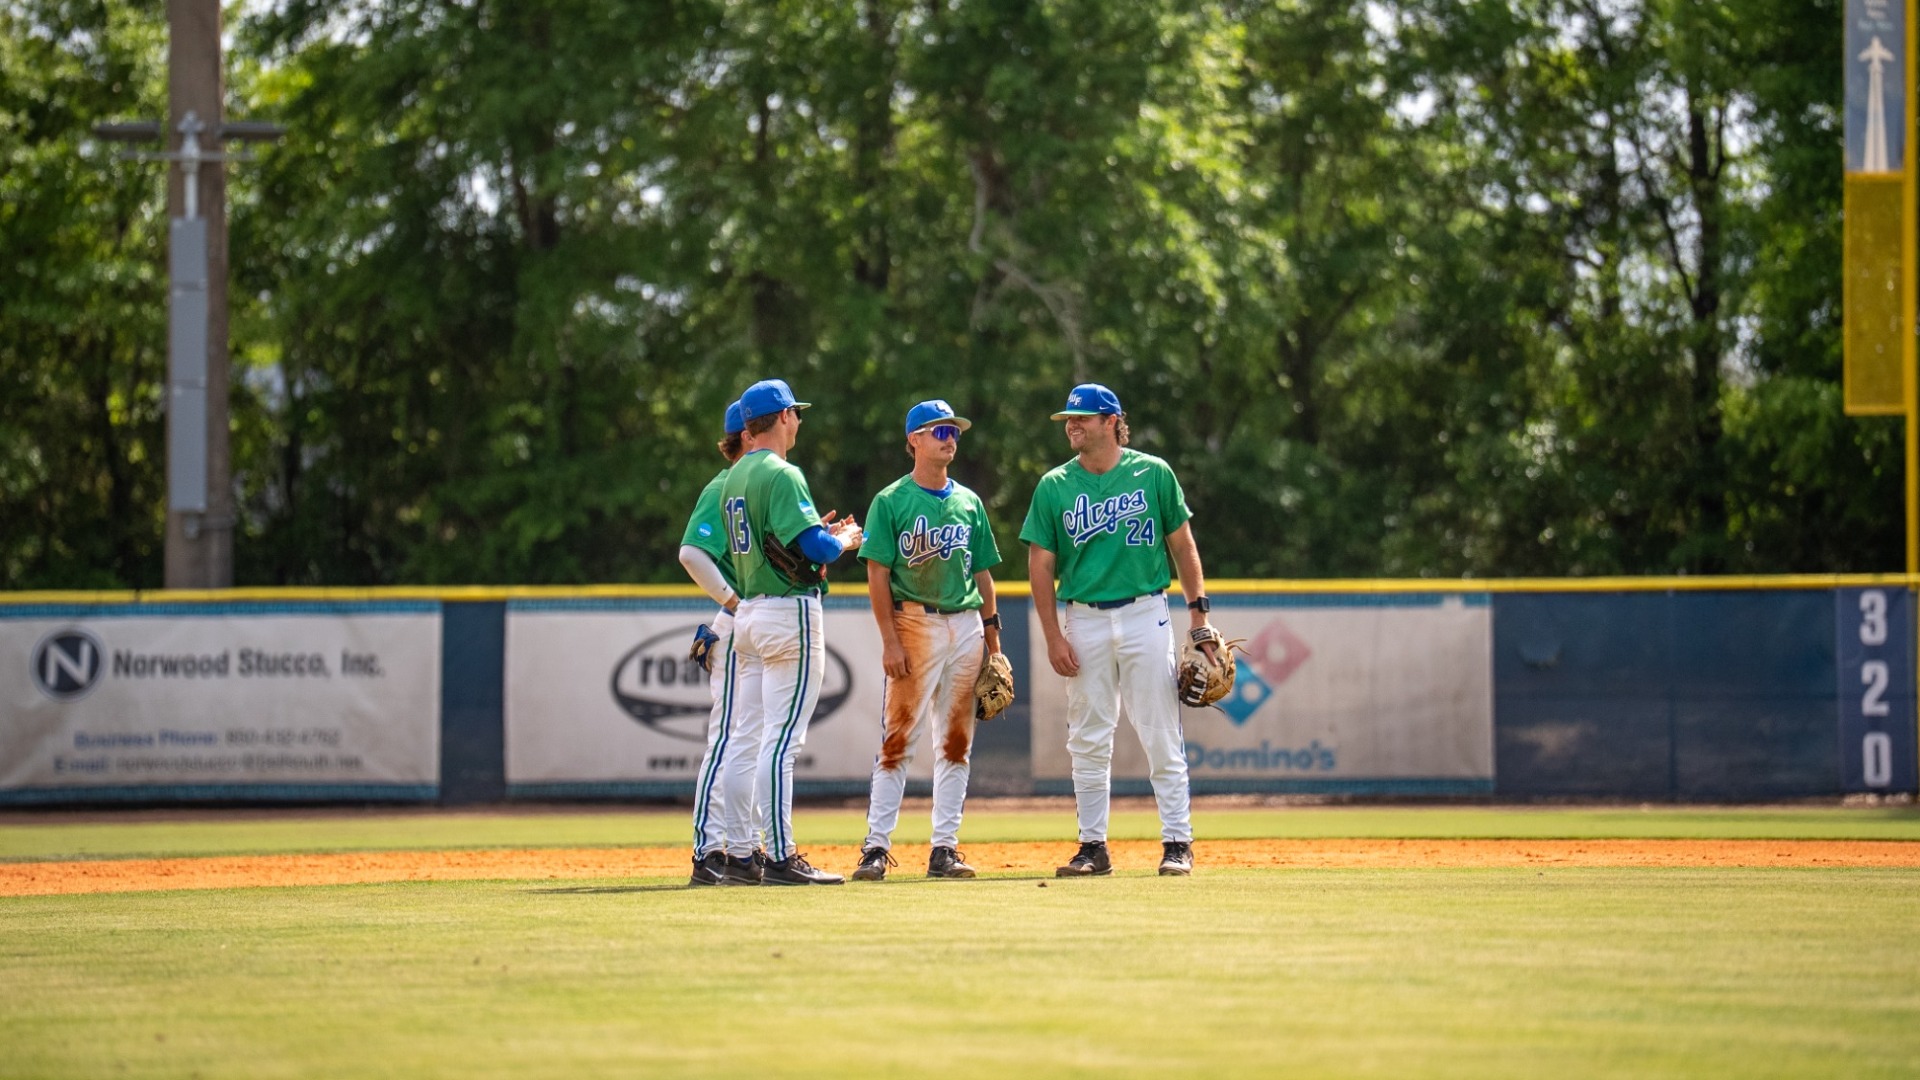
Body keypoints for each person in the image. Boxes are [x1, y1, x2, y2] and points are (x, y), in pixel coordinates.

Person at [1019, 383, 1212, 877]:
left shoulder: (1153, 473)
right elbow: (1040, 566)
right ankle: (1092, 847)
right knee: (1087, 737)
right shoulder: (1054, 485)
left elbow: (1183, 545)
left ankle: (1177, 841)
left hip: (1147, 612)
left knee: (1161, 731)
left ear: (1112, 421)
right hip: (1082, 616)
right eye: (1068, 418)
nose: (1071, 425)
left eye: (1082, 418)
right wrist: (1052, 637)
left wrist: (1200, 617)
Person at [849, 400, 1004, 882]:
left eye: (954, 431)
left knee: (956, 742)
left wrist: (993, 637)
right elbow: (877, 574)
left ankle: (945, 850)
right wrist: (890, 640)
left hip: (967, 625)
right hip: (914, 622)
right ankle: (875, 848)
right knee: (899, 739)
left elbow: (982, 572)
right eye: (939, 430)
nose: (950, 438)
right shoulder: (891, 500)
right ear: (913, 439)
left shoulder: (969, 502)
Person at [720, 378, 864, 886]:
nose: (799, 421)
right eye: (795, 413)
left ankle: (739, 855)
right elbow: (818, 551)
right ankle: (781, 857)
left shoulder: (733, 477)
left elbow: (779, 543)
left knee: (745, 740)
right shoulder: (782, 473)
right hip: (788, 614)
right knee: (781, 744)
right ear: (781, 418)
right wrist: (842, 538)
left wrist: (814, 539)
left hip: (749, 614)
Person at [680, 400, 754, 887]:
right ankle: (708, 851)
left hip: (757, 622)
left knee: (750, 742)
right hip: (738, 624)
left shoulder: (755, 486)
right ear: (748, 434)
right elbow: (691, 552)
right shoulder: (725, 484)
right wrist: (731, 603)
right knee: (728, 737)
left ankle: (744, 849)